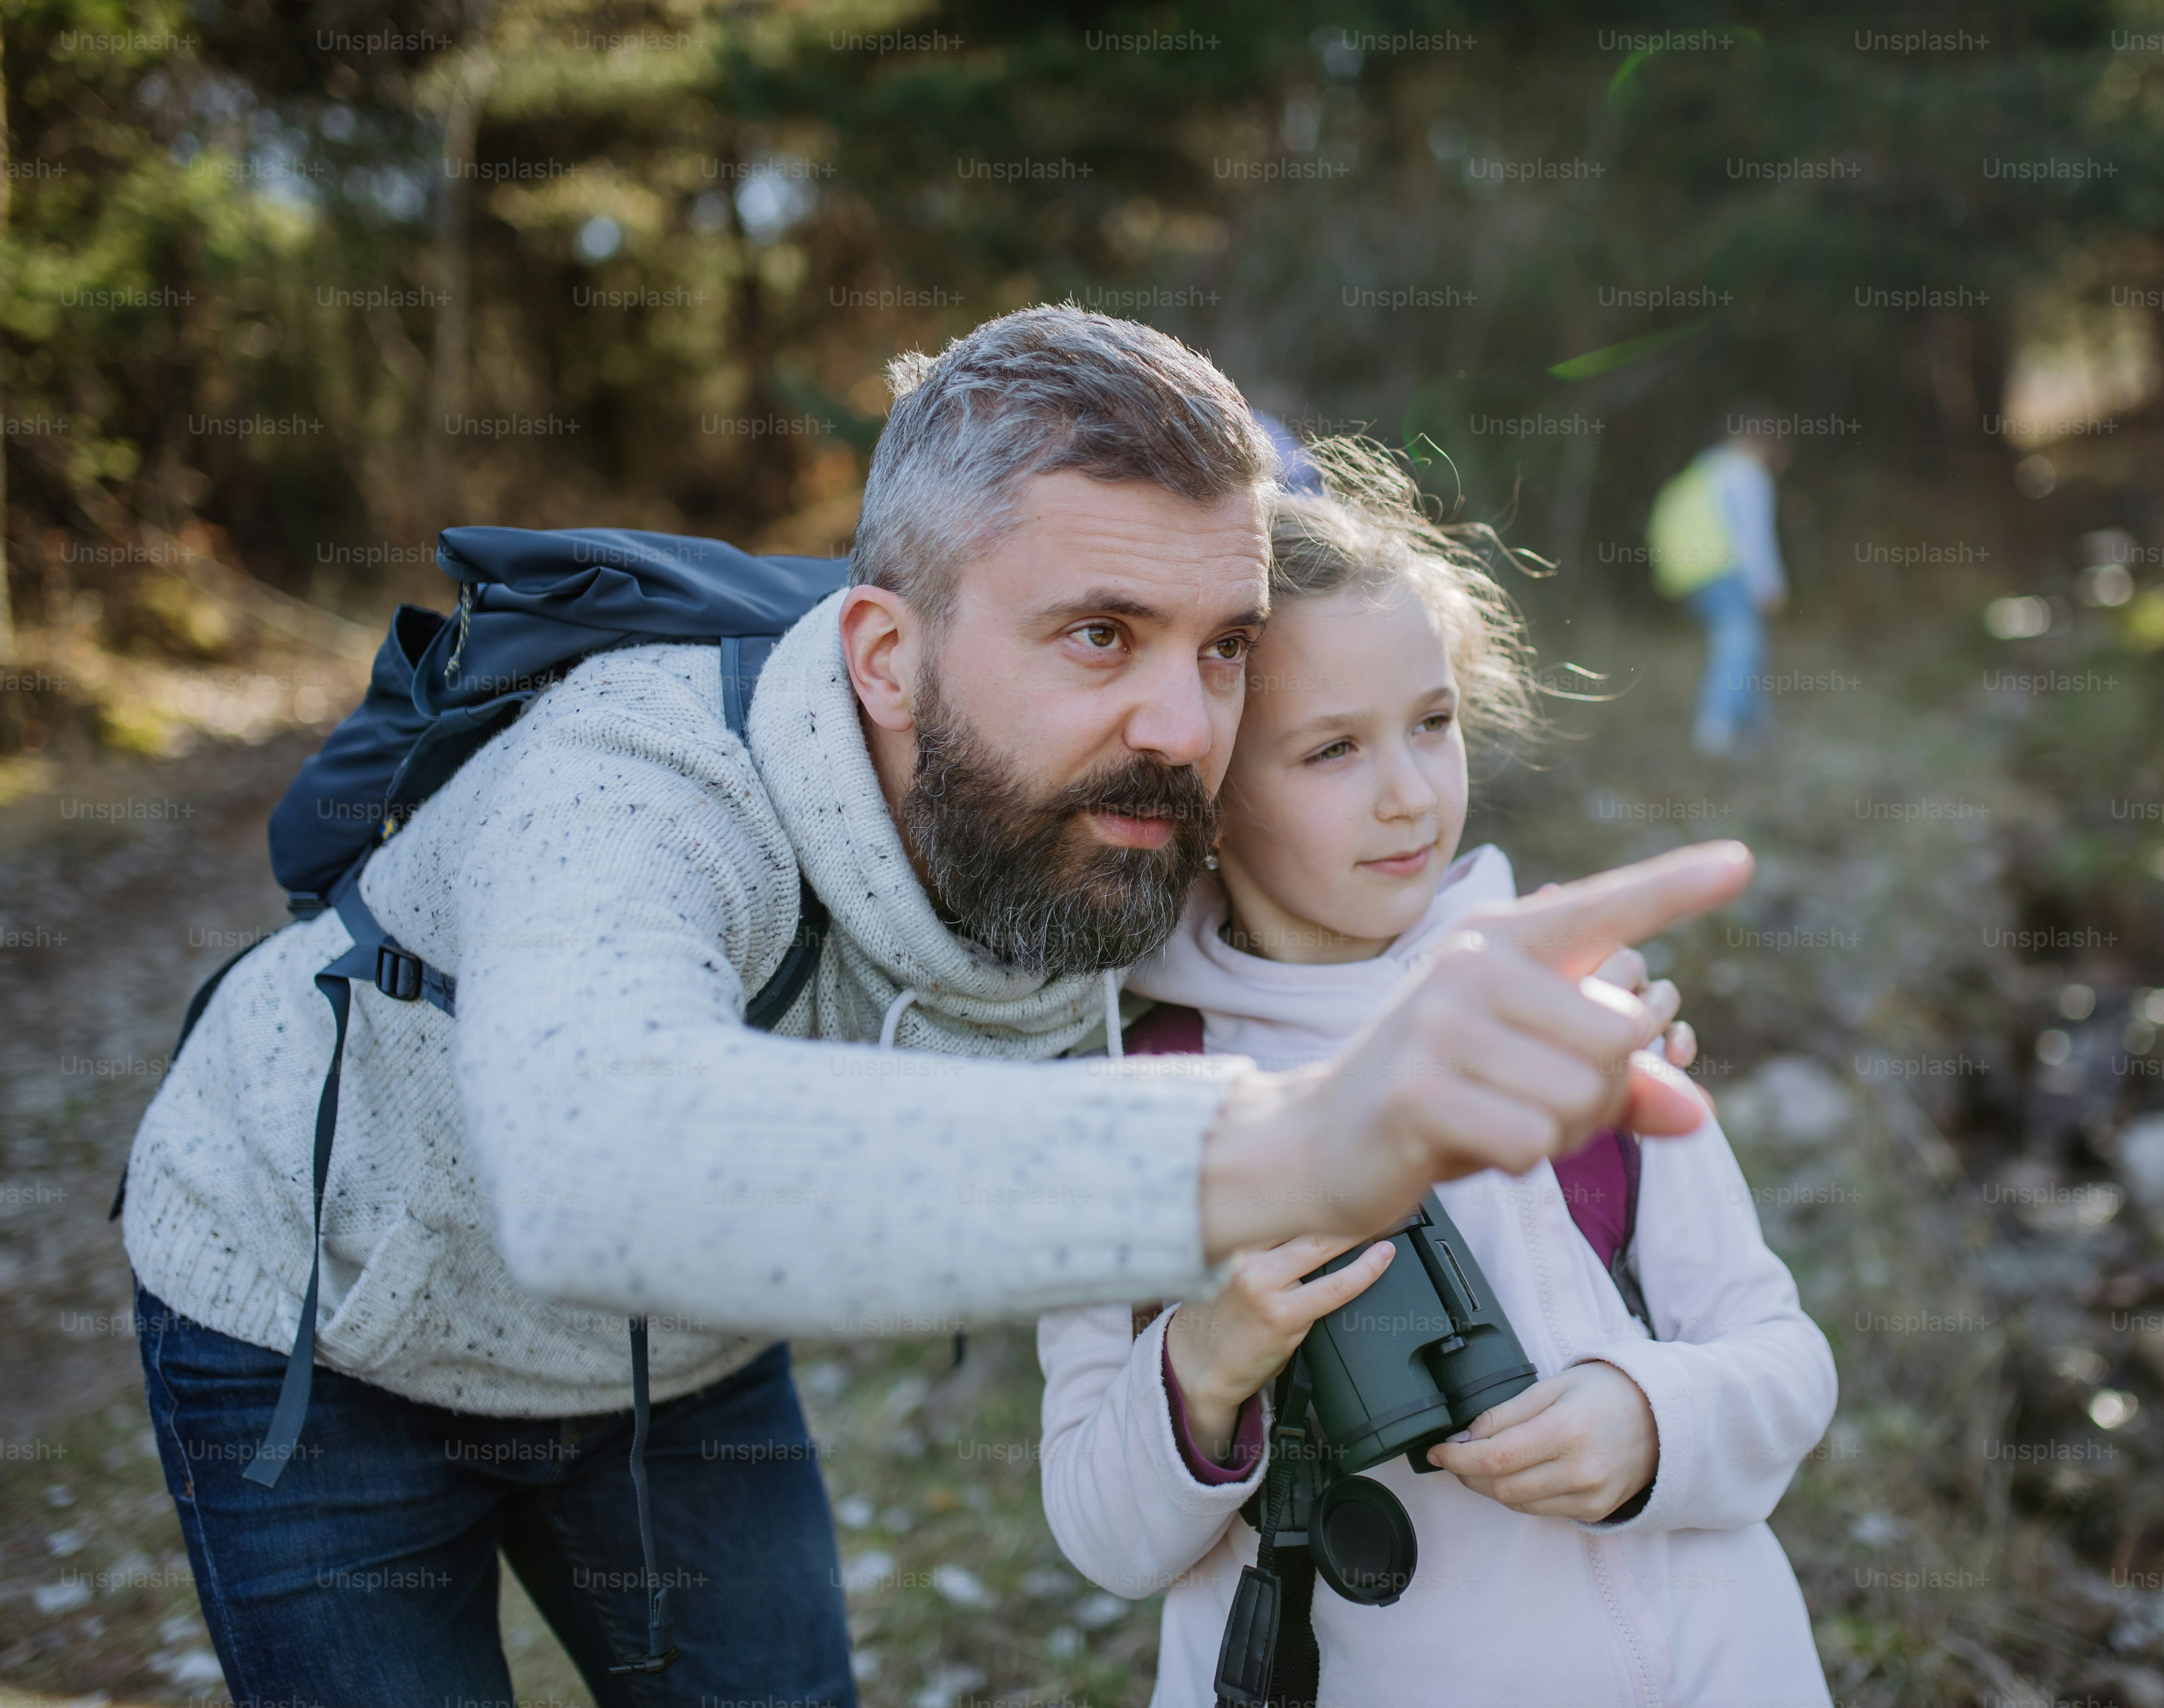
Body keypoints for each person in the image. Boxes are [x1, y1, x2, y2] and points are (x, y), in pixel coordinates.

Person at [120, 305, 1754, 1706]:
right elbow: (593, 1159)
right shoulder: (632, 777)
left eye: (1226, 645)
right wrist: (1283, 1147)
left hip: (668, 1358)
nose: (1184, 724)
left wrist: (1564, 1028)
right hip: (316, 1318)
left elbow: (1336, 926)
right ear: (886, 658)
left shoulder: (1112, 819)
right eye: (1101, 632)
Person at [1037, 441, 1835, 1707]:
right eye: (1332, 752)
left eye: (1433, 724)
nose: (1410, 795)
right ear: (1213, 793)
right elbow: (1103, 1536)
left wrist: (1650, 1420)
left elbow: (1782, 1359)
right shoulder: (1140, 1101)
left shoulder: (1576, 1009)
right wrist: (1211, 1355)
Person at [1647, 411, 1792, 755]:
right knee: (1738, 645)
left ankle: (1752, 726)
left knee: (1746, 644)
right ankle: (1716, 727)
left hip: (1693, 576)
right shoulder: (1746, 474)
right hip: (1724, 571)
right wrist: (1770, 585)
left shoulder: (1706, 471)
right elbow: (1753, 537)